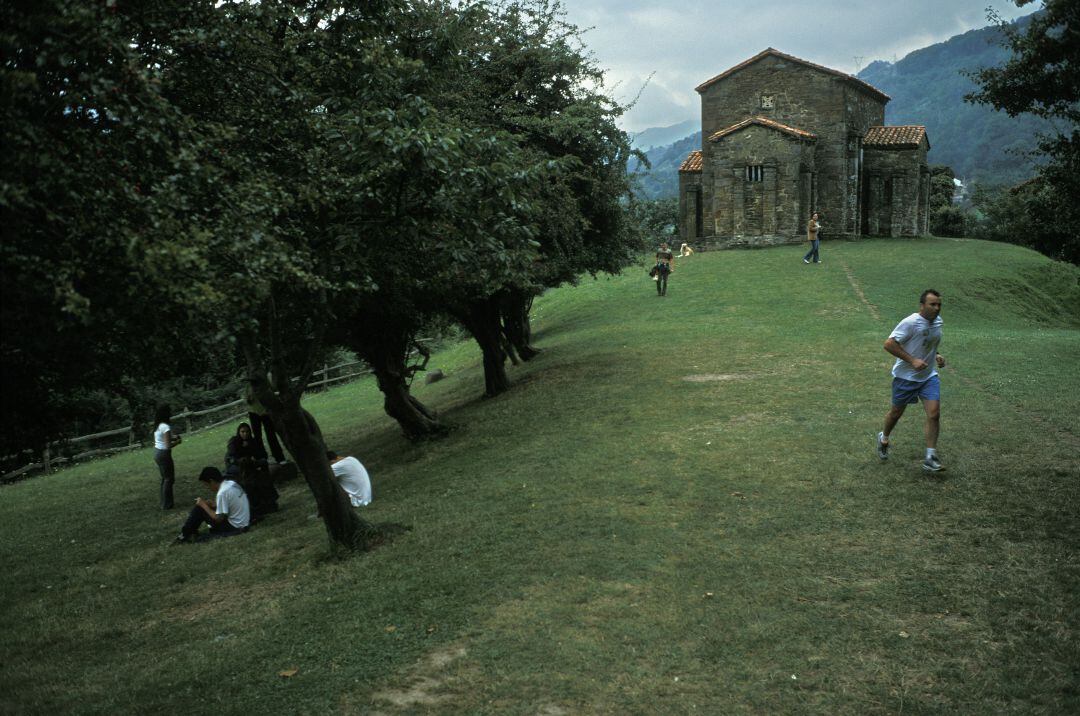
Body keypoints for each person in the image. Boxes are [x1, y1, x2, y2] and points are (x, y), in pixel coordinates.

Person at [877, 289, 947, 472]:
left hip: (928, 376)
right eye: (933, 304)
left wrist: (937, 355)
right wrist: (912, 360)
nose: (937, 308)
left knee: (934, 414)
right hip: (905, 377)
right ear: (922, 306)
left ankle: (930, 456)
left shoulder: (938, 322)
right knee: (896, 413)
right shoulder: (910, 322)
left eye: (939, 304)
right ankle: (884, 437)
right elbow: (889, 344)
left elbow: (929, 342)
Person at [174, 466, 251, 543]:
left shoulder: (222, 493)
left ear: (212, 481)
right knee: (204, 507)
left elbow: (218, 519)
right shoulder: (230, 483)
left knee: (199, 508)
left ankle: (185, 535)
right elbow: (232, 504)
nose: (207, 488)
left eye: (206, 485)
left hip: (235, 527)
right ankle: (190, 533)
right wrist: (215, 504)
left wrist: (203, 505)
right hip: (244, 522)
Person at [244, 384, 287, 465]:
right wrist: (248, 399)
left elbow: (273, 391)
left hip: (266, 412)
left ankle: (279, 457)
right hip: (253, 413)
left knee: (271, 435)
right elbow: (247, 400)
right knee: (257, 437)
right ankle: (262, 458)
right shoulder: (248, 385)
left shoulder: (264, 380)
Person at [152, 404, 182, 509]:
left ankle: (164, 502)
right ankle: (167, 504)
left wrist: (175, 437)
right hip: (164, 454)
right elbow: (168, 445)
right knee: (169, 479)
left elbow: (166, 439)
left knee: (165, 478)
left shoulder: (159, 426)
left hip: (157, 453)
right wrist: (178, 442)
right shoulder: (165, 427)